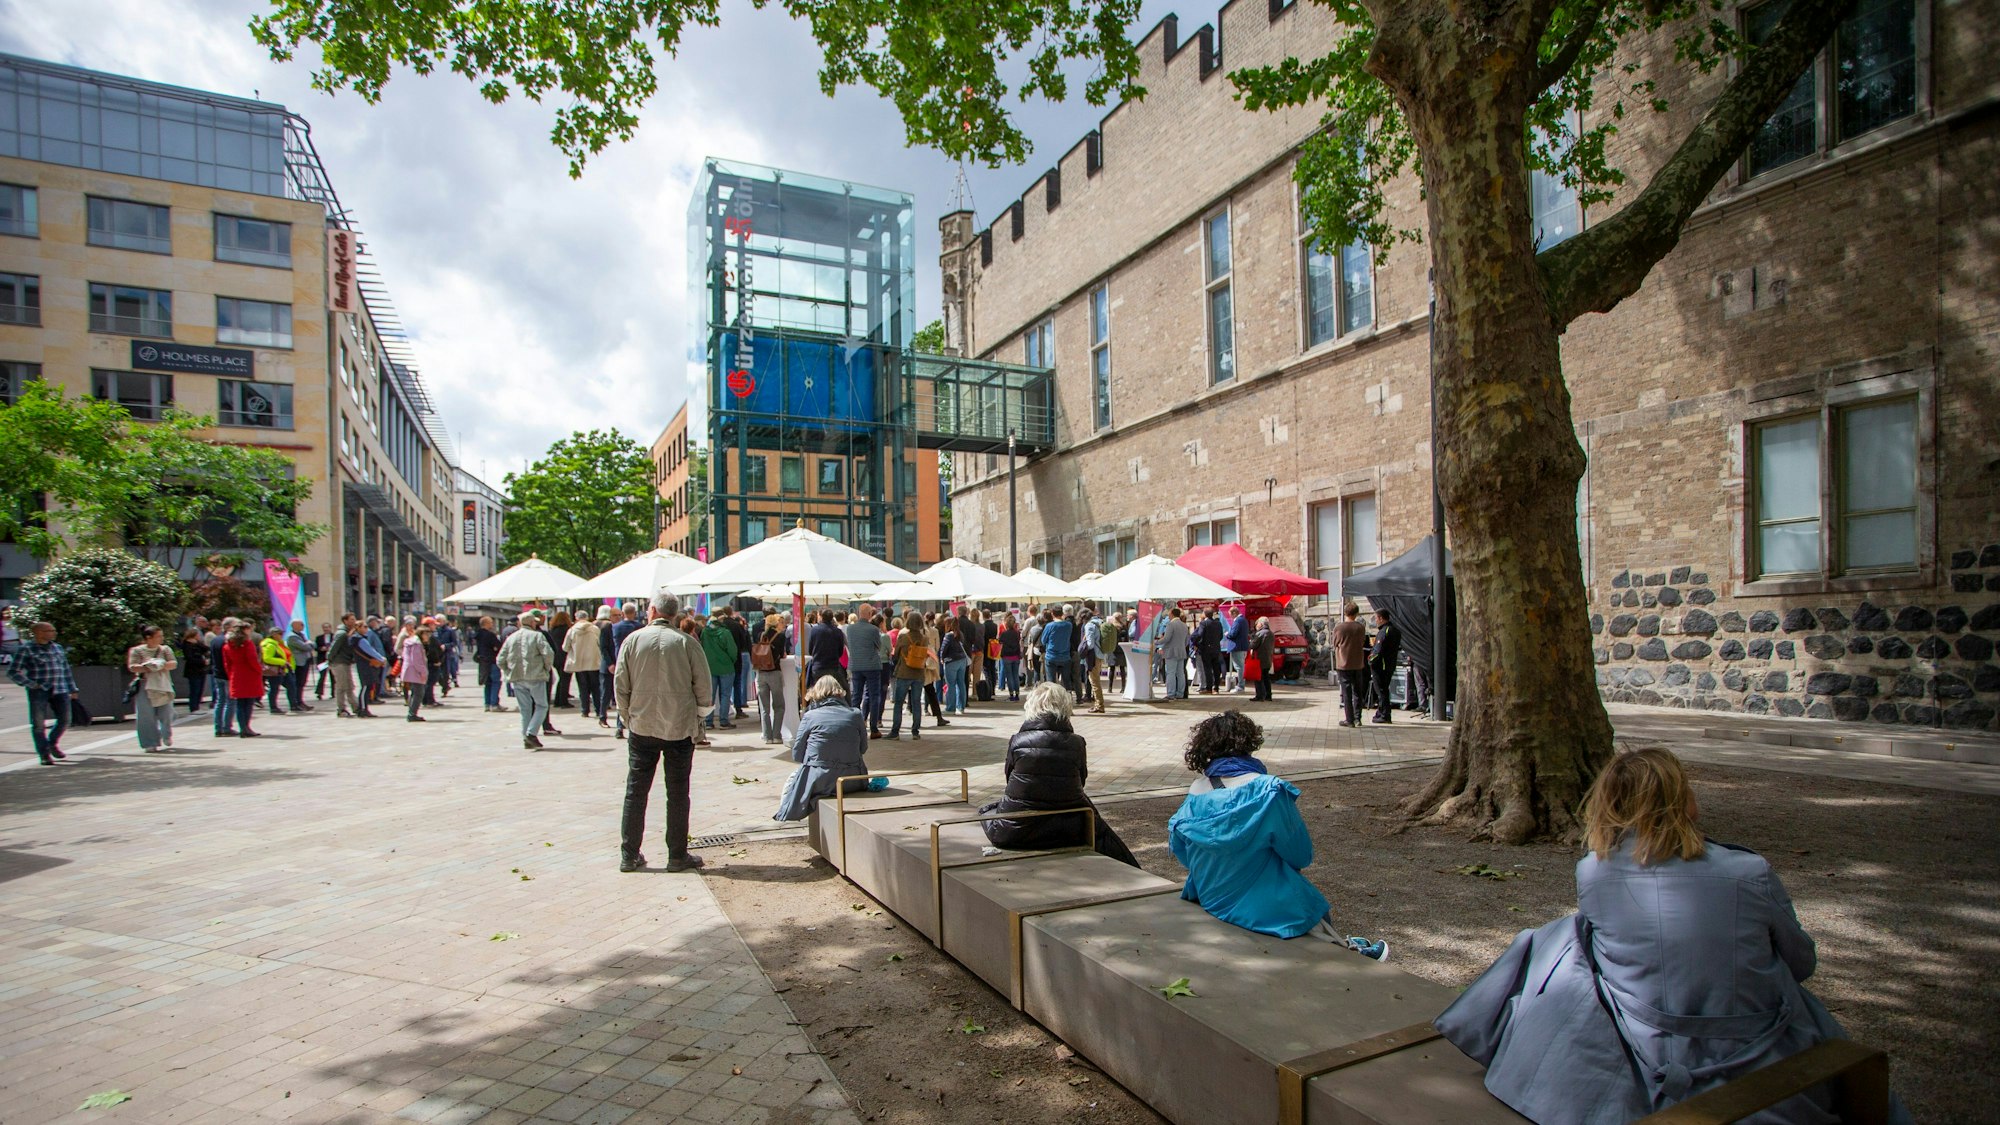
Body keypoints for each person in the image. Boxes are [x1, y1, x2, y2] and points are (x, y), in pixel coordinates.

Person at [1436, 749, 1908, 1125]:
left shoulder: (1594, 873)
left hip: (1642, 1037)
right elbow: (1801, 964)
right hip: (1750, 1042)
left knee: (1562, 938)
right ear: (1683, 797)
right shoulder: (1747, 871)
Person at [1169, 711, 1386, 957]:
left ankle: (1339, 942)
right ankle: (1346, 949)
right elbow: (1300, 855)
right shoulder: (1268, 790)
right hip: (1261, 907)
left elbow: (1183, 852)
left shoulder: (1196, 790)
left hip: (1211, 896)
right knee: (1299, 899)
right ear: (1249, 744)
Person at [980, 683, 1138, 866]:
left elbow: (1009, 779)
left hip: (1015, 832)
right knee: (1101, 829)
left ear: (1031, 706)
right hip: (1067, 828)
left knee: (988, 810)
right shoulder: (1077, 743)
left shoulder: (1018, 741)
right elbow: (1081, 781)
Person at [615, 592, 713, 873]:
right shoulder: (686, 643)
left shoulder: (632, 641)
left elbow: (620, 684)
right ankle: (677, 854)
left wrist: (627, 717)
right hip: (679, 726)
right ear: (674, 614)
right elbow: (704, 689)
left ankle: (629, 853)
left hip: (642, 725)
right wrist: (699, 718)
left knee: (636, 790)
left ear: (653, 610)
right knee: (678, 792)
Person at [774, 675, 870, 821]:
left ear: (816, 694)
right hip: (853, 780)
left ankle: (786, 818)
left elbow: (797, 755)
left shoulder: (810, 716)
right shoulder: (855, 714)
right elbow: (863, 748)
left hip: (819, 780)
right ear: (840, 693)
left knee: (792, 782)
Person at [10, 620, 76, 764]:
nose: (54, 633)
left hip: (60, 689)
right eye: (50, 631)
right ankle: (44, 754)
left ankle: (51, 744)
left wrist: (72, 688)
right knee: (39, 724)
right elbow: (13, 672)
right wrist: (31, 684)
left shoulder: (57, 648)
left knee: (65, 720)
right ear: (39, 633)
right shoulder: (26, 649)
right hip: (40, 691)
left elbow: (65, 669)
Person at [499, 611, 556, 749]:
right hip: (535, 676)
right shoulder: (537, 636)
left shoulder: (511, 638)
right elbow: (548, 654)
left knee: (525, 709)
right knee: (542, 705)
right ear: (532, 622)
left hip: (517, 677)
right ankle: (531, 734)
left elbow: (500, 659)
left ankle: (526, 737)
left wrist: (508, 671)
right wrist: (546, 668)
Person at [127, 625, 180, 754]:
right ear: (148, 638)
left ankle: (166, 734)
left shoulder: (165, 649)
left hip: (163, 685)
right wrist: (149, 667)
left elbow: (173, 664)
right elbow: (132, 667)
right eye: (159, 636)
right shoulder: (137, 651)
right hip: (145, 685)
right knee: (146, 716)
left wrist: (160, 665)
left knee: (167, 713)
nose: (162, 638)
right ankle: (149, 743)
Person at [843, 605, 886, 737]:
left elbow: (849, 645)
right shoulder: (873, 629)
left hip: (856, 665)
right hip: (871, 665)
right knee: (874, 696)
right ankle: (873, 728)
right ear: (869, 614)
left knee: (856, 695)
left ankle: (855, 726)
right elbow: (878, 646)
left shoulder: (850, 629)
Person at [218, 621, 266, 738]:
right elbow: (252, 660)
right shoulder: (247, 644)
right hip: (249, 674)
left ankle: (242, 727)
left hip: (236, 674)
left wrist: (231, 674)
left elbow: (226, 663)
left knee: (240, 703)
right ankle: (246, 727)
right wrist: (260, 670)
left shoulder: (227, 645)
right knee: (248, 703)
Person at [885, 615, 928, 740]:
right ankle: (915, 731)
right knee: (916, 702)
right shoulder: (924, 638)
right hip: (919, 673)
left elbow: (896, 654)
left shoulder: (903, 637)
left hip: (904, 672)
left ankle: (895, 731)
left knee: (898, 703)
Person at [751, 612, 791, 744]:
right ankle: (777, 735)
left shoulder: (760, 635)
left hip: (761, 673)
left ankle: (767, 736)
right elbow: (783, 655)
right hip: (774, 672)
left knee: (764, 707)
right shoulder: (780, 636)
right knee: (779, 706)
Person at [1332, 602, 1369, 728]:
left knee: (1347, 693)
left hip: (1343, 663)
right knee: (1358, 692)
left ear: (1345, 612)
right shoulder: (1360, 627)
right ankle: (1358, 718)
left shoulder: (1339, 628)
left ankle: (1349, 719)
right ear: (1356, 613)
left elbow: (1335, 643)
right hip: (1358, 663)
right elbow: (1363, 641)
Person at [700, 613, 739, 730]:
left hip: (710, 667)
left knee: (710, 696)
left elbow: (702, 647)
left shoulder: (705, 632)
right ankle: (723, 721)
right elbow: (732, 650)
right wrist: (731, 660)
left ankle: (708, 721)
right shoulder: (725, 632)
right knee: (725, 695)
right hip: (726, 667)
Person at [564, 609, 604, 721]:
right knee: (596, 688)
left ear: (576, 618)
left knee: (583, 688)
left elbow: (565, 647)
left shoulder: (572, 630)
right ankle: (598, 709)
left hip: (579, 662)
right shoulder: (595, 629)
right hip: (593, 661)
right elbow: (600, 644)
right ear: (587, 617)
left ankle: (584, 710)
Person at [1368, 609, 1401, 724]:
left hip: (1381, 665)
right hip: (1390, 664)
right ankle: (1382, 712)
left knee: (1381, 690)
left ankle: (1384, 714)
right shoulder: (1395, 630)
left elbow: (1378, 650)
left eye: (1376, 618)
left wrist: (1370, 661)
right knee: (1384, 689)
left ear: (1381, 618)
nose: (1375, 621)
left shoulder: (1384, 631)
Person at [719, 606, 752, 720]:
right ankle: (738, 709)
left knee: (722, 690)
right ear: (731, 612)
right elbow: (743, 642)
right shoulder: (736, 625)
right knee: (737, 684)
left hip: (722, 661)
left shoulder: (719, 626)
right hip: (736, 658)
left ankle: (723, 713)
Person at [350, 618, 385, 718]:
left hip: (363, 665)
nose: (367, 629)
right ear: (358, 628)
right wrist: (381, 658)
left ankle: (363, 708)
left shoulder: (357, 639)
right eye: (365, 627)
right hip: (366, 665)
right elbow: (370, 651)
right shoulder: (360, 640)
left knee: (367, 686)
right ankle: (363, 709)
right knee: (366, 686)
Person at [398, 624, 431, 722]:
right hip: (415, 671)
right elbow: (416, 660)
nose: (428, 637)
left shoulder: (410, 642)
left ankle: (411, 712)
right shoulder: (416, 644)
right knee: (419, 693)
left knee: (415, 692)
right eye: (426, 634)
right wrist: (423, 672)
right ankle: (412, 714)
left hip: (409, 670)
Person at [806, 609, 846, 689]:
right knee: (832, 691)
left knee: (818, 691)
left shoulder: (814, 630)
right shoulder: (838, 632)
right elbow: (840, 651)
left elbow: (810, 650)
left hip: (818, 666)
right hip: (833, 666)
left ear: (821, 617)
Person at [259, 626, 295, 714]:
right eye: (280, 634)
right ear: (274, 635)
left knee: (291, 686)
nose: (281, 635)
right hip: (275, 670)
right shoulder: (270, 645)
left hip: (282, 670)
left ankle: (294, 705)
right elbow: (267, 658)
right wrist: (282, 661)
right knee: (274, 688)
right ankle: (273, 707)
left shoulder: (277, 643)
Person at [472, 615, 504, 711]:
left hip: (483, 662)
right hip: (492, 661)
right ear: (486, 624)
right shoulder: (490, 635)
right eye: (490, 622)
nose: (492, 624)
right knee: (495, 682)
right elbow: (498, 646)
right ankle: (494, 704)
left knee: (487, 683)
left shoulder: (478, 635)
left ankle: (487, 703)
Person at [939, 618, 970, 714]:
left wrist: (941, 658)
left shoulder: (948, 635)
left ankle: (950, 708)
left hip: (951, 661)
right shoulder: (961, 634)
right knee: (961, 683)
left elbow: (943, 649)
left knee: (951, 684)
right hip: (962, 660)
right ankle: (961, 707)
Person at [1041, 608, 1075, 695]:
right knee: (1066, 681)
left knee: (1051, 682)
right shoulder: (1068, 625)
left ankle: (1052, 700)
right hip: (1065, 656)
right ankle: (1068, 698)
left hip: (1051, 656)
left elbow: (1043, 640)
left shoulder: (1049, 626)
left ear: (1052, 614)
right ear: (1062, 613)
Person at [1159, 608, 1191, 700]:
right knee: (1180, 673)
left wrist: (1157, 642)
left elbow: (1166, 638)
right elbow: (1186, 641)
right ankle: (1180, 693)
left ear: (1172, 614)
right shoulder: (1184, 625)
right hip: (1181, 651)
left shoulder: (1171, 624)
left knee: (1171, 673)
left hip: (1171, 652)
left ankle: (1171, 693)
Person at [1077, 607, 1104, 713]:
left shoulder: (1089, 625)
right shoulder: (1098, 622)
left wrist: (1083, 646)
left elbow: (1090, 644)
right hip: (1100, 654)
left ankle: (1099, 705)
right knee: (1095, 680)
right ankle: (1098, 704)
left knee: (1094, 681)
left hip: (1093, 656)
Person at [285, 621, 316, 712]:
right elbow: (305, 647)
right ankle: (295, 703)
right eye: (301, 624)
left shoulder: (301, 634)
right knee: (297, 683)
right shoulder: (292, 636)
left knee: (302, 683)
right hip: (298, 662)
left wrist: (309, 644)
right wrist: (309, 643)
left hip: (305, 661)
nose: (303, 626)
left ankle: (300, 701)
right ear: (294, 626)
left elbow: (312, 644)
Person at [545, 610, 573, 710]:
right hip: (565, 656)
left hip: (556, 657)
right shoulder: (567, 630)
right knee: (565, 679)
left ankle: (558, 700)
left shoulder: (552, 630)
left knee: (561, 679)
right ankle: (563, 701)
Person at [178, 626, 210, 714]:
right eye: (197, 635)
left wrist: (198, 643)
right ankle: (193, 707)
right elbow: (189, 658)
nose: (199, 636)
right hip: (192, 670)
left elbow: (206, 649)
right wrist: (203, 661)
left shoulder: (197, 643)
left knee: (200, 689)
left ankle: (197, 706)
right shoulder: (186, 645)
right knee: (194, 689)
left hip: (201, 670)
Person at [1249, 615, 1277, 702]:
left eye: (1257, 624)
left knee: (1258, 678)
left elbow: (1253, 645)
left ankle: (1260, 696)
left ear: (1260, 624)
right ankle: (1268, 695)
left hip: (1259, 659)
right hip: (1268, 658)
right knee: (1266, 677)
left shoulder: (1260, 633)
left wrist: (1251, 640)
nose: (1256, 625)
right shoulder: (1271, 633)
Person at [1196, 609, 1224, 694]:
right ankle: (1216, 687)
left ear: (1205, 614)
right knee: (1216, 669)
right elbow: (1221, 635)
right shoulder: (1218, 623)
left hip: (1206, 649)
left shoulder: (1203, 623)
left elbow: (1200, 635)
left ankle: (1209, 688)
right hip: (1216, 648)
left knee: (1207, 669)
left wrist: (1198, 643)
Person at [997, 613, 1023, 701]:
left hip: (1007, 656)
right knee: (1015, 675)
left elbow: (1000, 641)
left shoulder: (1004, 634)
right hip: (1016, 656)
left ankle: (1011, 694)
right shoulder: (1017, 633)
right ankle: (1017, 694)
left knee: (1009, 676)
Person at [312, 621, 335, 699]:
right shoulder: (319, 638)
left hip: (332, 659)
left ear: (330, 628)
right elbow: (315, 648)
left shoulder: (334, 637)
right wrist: (321, 649)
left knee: (333, 676)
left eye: (327, 627)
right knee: (322, 676)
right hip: (322, 659)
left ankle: (334, 693)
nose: (326, 629)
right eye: (324, 627)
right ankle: (319, 693)